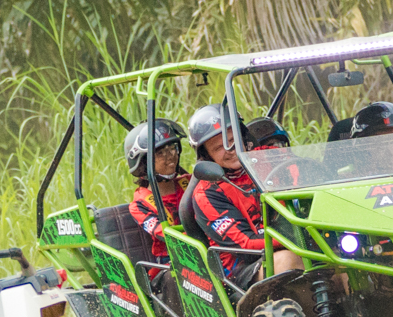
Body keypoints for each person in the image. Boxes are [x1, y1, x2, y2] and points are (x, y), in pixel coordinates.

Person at [183, 104, 304, 286]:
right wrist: (296, 237)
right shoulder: (207, 193)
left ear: (244, 136)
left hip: (291, 241)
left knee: (341, 258)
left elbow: (302, 170)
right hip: (243, 268)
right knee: (289, 260)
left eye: (232, 139)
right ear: (207, 156)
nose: (230, 149)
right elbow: (245, 244)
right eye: (219, 148)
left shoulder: (267, 158)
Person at [125, 117, 186, 270]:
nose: (170, 155)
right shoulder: (140, 204)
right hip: (170, 265)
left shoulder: (189, 183)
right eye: (160, 152)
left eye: (172, 147)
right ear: (144, 162)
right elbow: (166, 235)